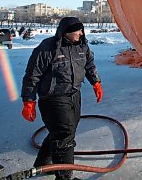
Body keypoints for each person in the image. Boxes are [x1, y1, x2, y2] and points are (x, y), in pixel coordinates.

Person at [21, 17, 103, 180]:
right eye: (77, 30)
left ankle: (43, 164)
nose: (81, 33)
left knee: (63, 131)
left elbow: (89, 65)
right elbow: (32, 76)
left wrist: (96, 82)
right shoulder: (47, 48)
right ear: (66, 32)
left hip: (74, 95)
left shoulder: (82, 46)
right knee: (65, 134)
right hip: (53, 98)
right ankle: (65, 177)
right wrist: (28, 101)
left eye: (82, 30)